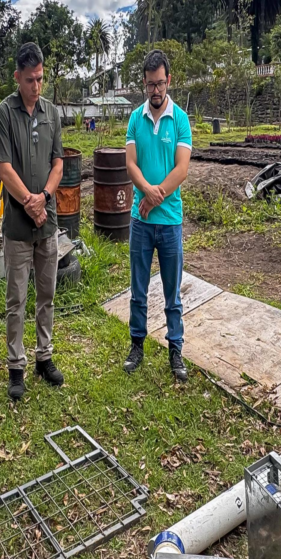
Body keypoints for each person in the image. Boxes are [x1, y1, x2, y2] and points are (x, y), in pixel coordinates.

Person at [0, 42, 64, 401]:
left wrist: (45, 198)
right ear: (17, 77)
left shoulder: (51, 112)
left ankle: (44, 357)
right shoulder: (5, 113)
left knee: (46, 294)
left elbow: (58, 163)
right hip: (19, 227)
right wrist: (30, 204)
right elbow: (5, 168)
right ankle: (15, 366)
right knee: (16, 298)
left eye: (40, 79)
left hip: (47, 223)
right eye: (30, 79)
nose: (36, 86)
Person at [123, 49, 192, 381]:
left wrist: (154, 196)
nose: (155, 90)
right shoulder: (135, 119)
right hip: (140, 223)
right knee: (138, 289)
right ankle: (136, 345)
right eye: (150, 84)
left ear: (169, 81)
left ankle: (175, 349)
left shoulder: (180, 119)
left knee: (172, 293)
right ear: (144, 83)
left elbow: (181, 169)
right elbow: (130, 164)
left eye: (160, 83)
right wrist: (146, 194)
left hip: (169, 222)